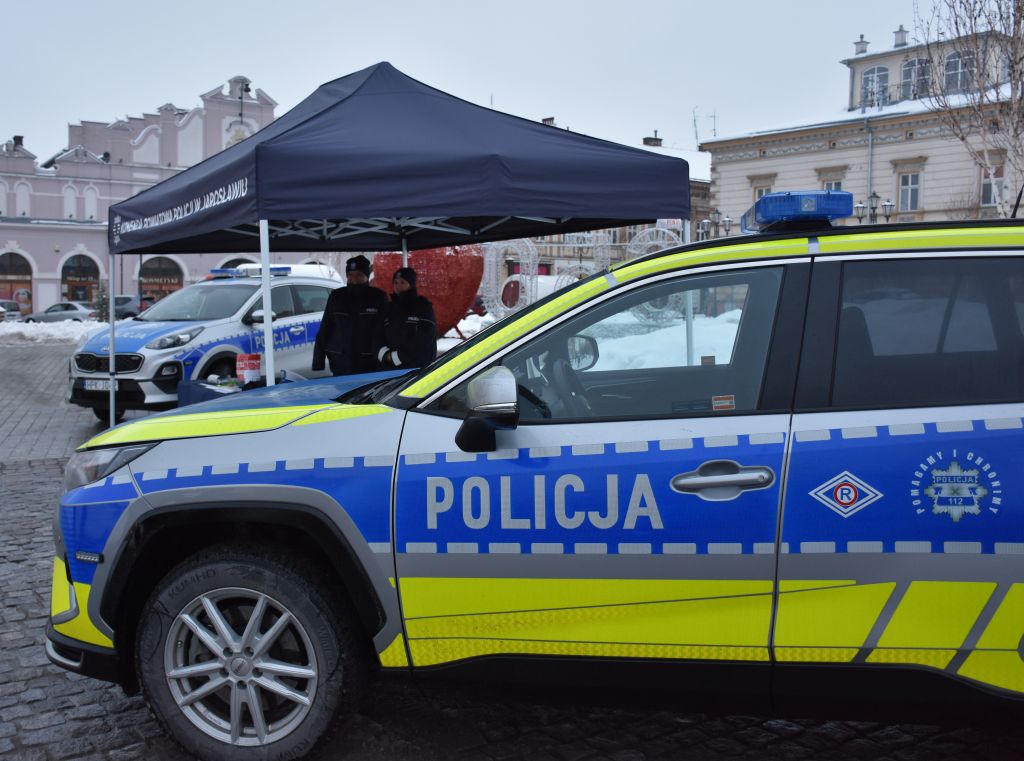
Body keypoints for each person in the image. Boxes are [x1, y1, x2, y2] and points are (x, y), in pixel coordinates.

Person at [312, 255, 387, 376]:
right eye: (350, 275)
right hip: (340, 362)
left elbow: (386, 331)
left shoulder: (378, 297)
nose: (354, 279)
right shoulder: (336, 297)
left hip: (370, 362)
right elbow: (325, 329)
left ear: (366, 276)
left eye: (359, 275)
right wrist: (318, 361)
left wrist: (387, 359)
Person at [377, 267, 437, 369]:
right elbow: (377, 335)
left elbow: (424, 338)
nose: (398, 286)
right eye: (395, 283)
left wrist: (398, 357)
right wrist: (385, 355)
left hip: (418, 368)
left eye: (402, 282)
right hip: (390, 367)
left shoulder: (423, 305)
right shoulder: (388, 309)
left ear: (411, 285)